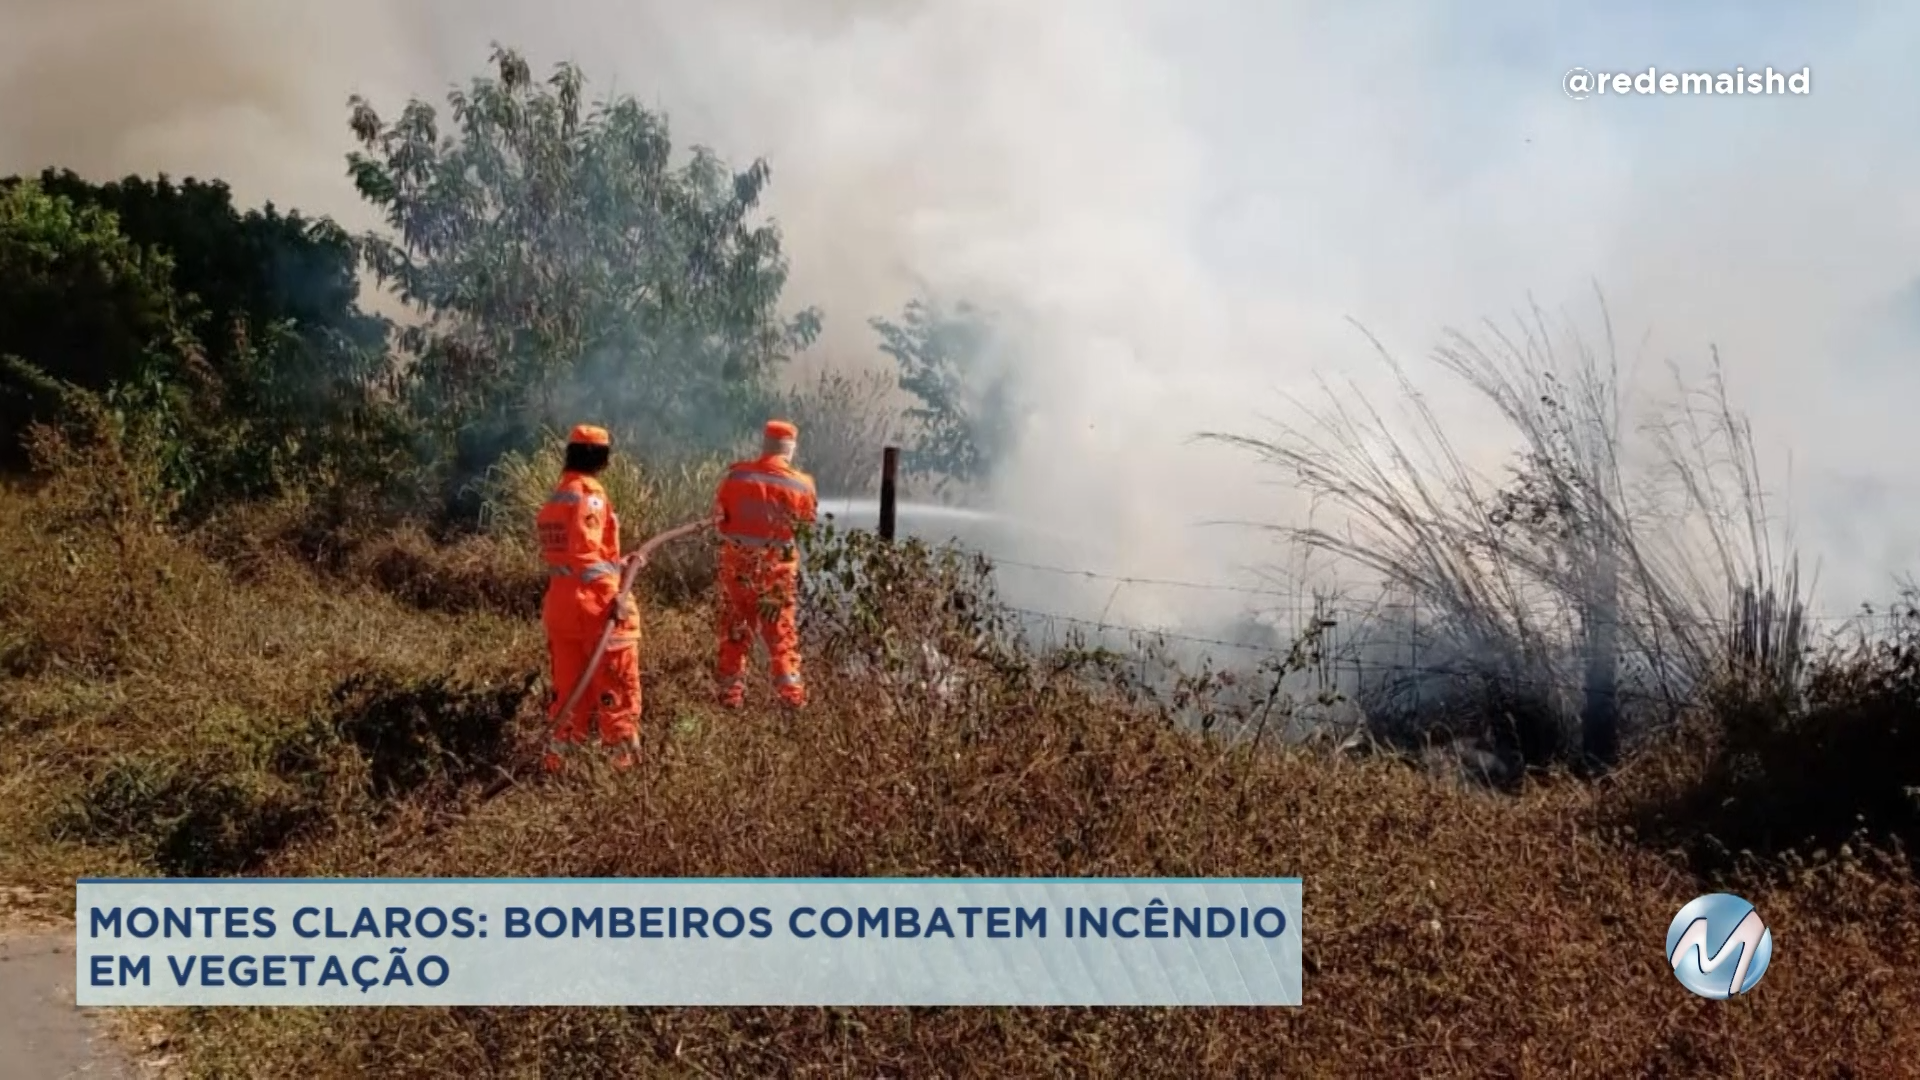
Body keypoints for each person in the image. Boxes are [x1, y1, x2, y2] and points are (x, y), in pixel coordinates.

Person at [536, 424, 646, 773]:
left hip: (562, 608)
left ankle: (557, 773)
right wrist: (615, 596)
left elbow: (575, 557)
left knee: (569, 699)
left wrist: (619, 563)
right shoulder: (589, 493)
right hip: (594, 609)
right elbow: (585, 558)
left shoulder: (558, 495)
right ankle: (625, 776)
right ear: (601, 457)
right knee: (617, 694)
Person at [713, 419, 817, 710]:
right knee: (781, 638)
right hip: (777, 578)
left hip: (738, 573)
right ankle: (791, 701)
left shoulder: (736, 478)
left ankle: (730, 699)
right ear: (791, 448)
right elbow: (806, 527)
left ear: (764, 444)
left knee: (735, 633)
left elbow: (719, 521)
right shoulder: (802, 485)